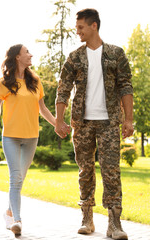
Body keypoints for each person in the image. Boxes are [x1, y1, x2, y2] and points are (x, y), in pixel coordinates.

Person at [55, 8, 133, 240]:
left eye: (80, 27)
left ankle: (114, 224)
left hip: (110, 122)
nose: (76, 31)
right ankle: (87, 219)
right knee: (85, 170)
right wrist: (59, 120)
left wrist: (128, 119)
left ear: (93, 26)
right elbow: (63, 89)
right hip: (83, 123)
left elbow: (126, 87)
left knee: (111, 171)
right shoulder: (74, 57)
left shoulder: (116, 54)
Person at [0, 44, 68, 235]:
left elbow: (43, 109)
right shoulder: (4, 82)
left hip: (32, 137)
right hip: (10, 137)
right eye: (27, 52)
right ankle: (17, 220)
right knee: (15, 178)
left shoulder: (35, 81)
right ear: (17, 57)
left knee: (20, 179)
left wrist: (58, 124)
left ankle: (8, 212)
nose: (30, 55)